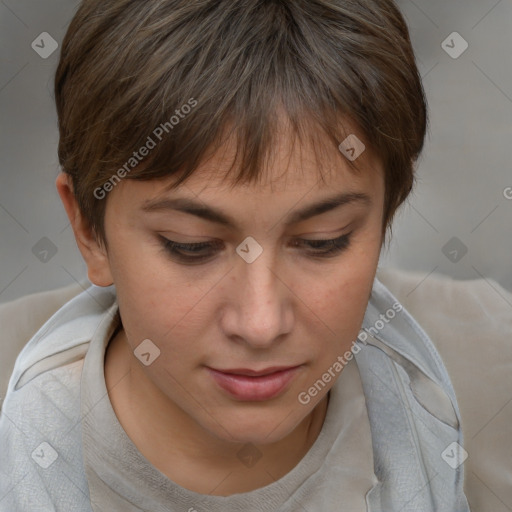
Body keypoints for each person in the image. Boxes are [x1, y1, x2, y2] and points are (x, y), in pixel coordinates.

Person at [0, 1, 471, 510]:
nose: (261, 323)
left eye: (323, 241)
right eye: (191, 246)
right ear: (89, 231)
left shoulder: (430, 408)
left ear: (385, 217)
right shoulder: (30, 459)